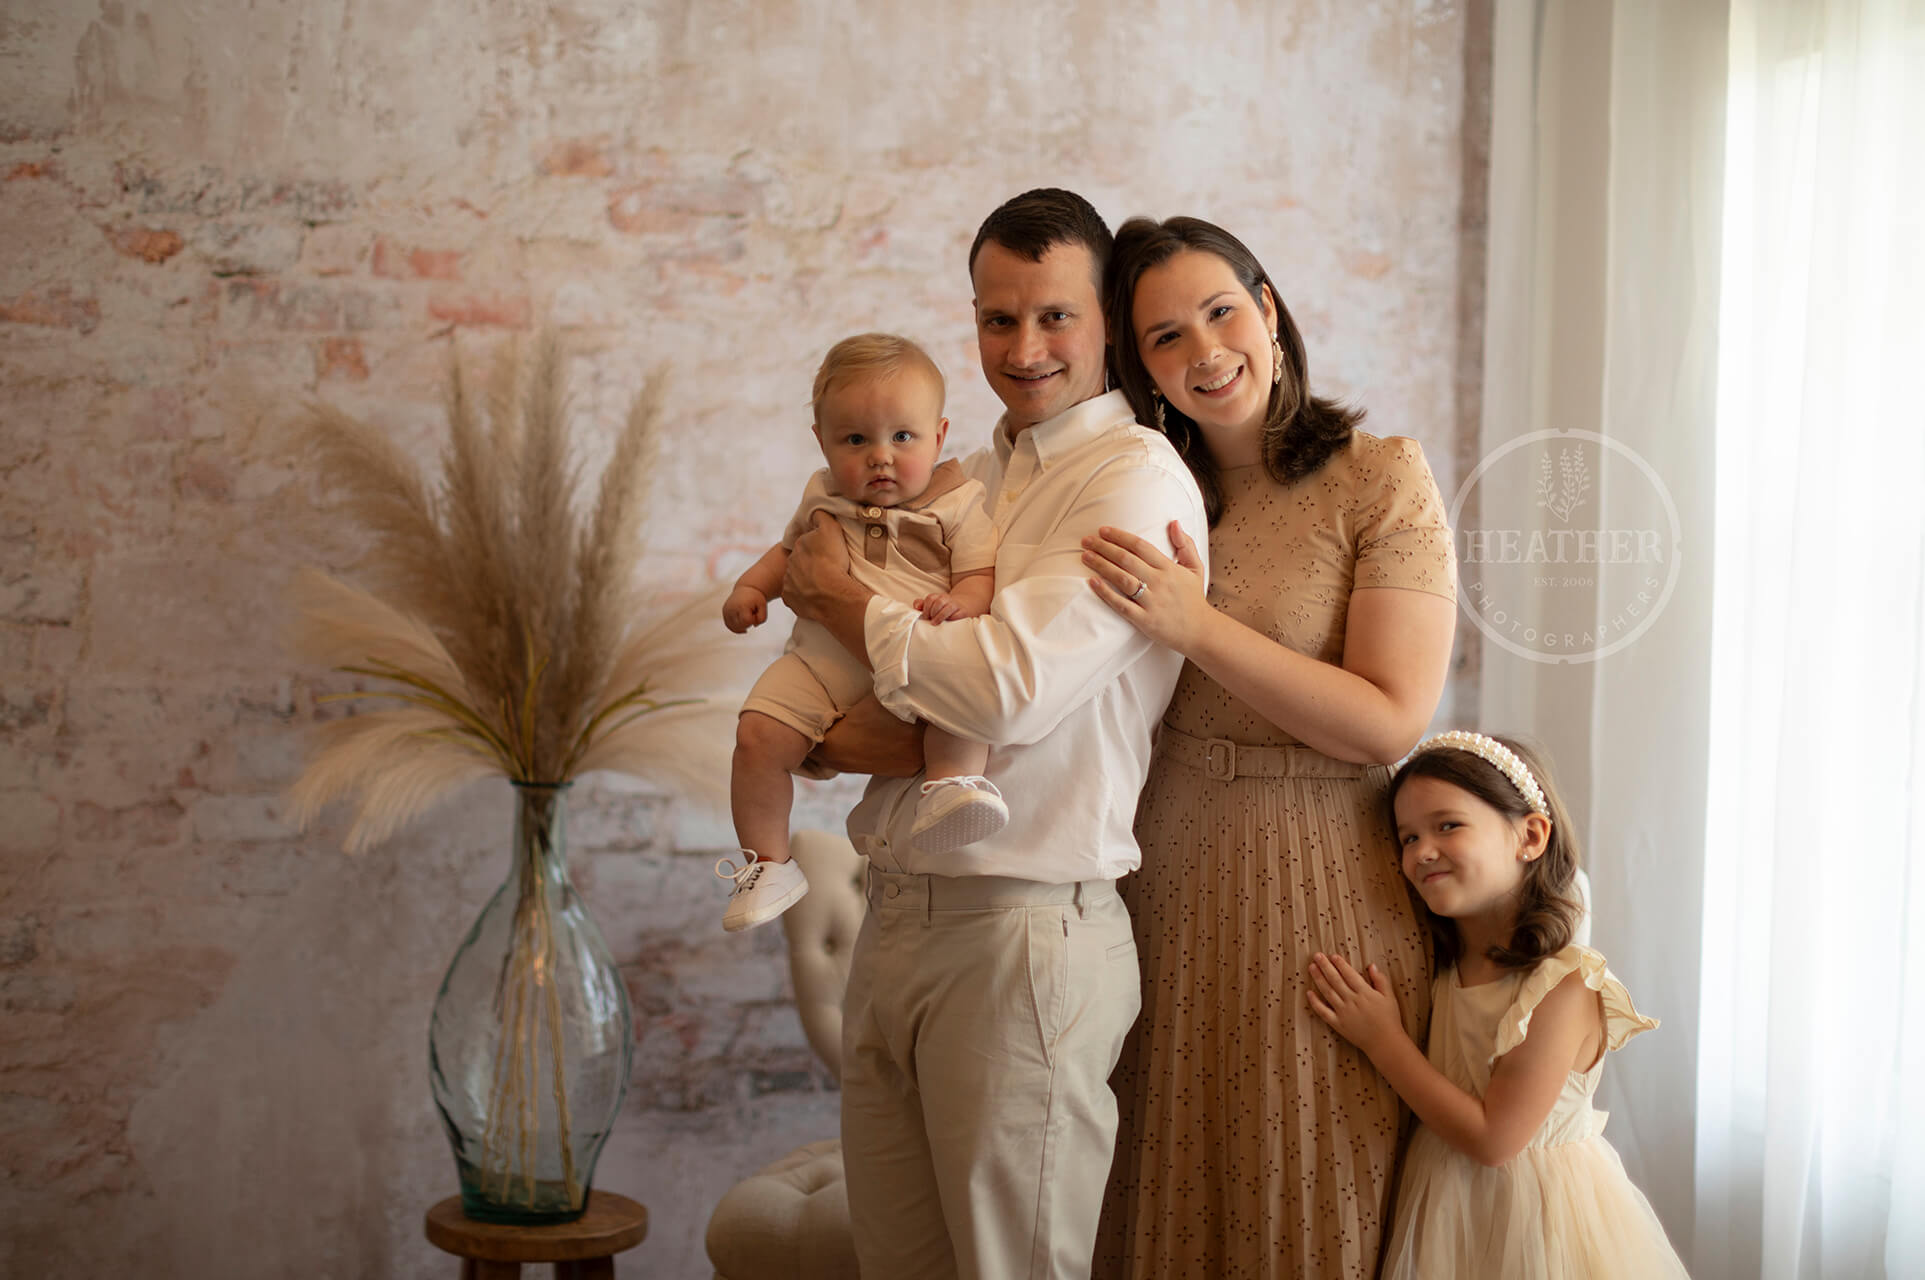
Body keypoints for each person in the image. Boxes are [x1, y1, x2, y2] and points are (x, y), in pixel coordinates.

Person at [780, 189, 1209, 1280]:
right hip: (897, 913)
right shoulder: (971, 474)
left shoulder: (1131, 477)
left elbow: (1005, 691)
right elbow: (874, 710)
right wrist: (840, 724)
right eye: (994, 318)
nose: (1022, 349)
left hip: (1021, 934)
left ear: (1107, 317)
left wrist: (835, 602)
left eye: (1054, 316)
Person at [1084, 216, 1457, 1278]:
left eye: (1220, 311)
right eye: (1163, 337)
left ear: (1269, 311)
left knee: (1309, 1190)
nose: (1203, 351)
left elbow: (1391, 716)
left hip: (1324, 873)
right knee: (1156, 1176)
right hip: (1161, 869)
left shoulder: (1377, 476)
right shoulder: (1148, 492)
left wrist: (1193, 622)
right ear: (1139, 367)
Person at [1307, 731, 1690, 1278]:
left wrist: (1382, 1040)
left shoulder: (1563, 983)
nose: (1421, 851)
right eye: (1407, 837)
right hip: (1442, 1203)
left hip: (1538, 1220)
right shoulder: (1436, 961)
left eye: (1447, 825)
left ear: (1529, 836)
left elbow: (1494, 1140)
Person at [715, 333, 1010, 932]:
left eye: (903, 437)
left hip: (914, 652)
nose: (881, 456)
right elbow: (786, 552)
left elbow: (982, 573)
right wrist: (750, 589)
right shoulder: (823, 495)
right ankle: (769, 862)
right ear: (821, 443)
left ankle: (953, 786)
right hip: (821, 663)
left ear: (939, 435)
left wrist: (961, 601)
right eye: (856, 440)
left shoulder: (958, 501)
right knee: (756, 736)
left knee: (961, 692)